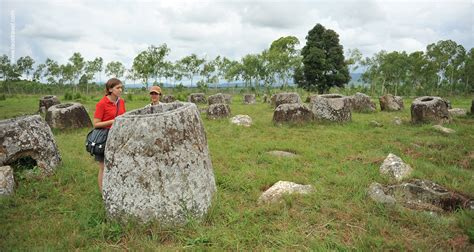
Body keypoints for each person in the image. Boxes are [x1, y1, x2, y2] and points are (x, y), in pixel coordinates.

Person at [93, 78, 126, 192]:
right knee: (103, 167)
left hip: (118, 136)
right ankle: (103, 193)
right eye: (118, 88)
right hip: (104, 138)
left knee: (117, 163)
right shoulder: (102, 103)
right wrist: (112, 122)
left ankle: (116, 189)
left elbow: (123, 117)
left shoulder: (121, 102)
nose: (120, 90)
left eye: (121, 87)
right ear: (110, 89)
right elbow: (96, 124)